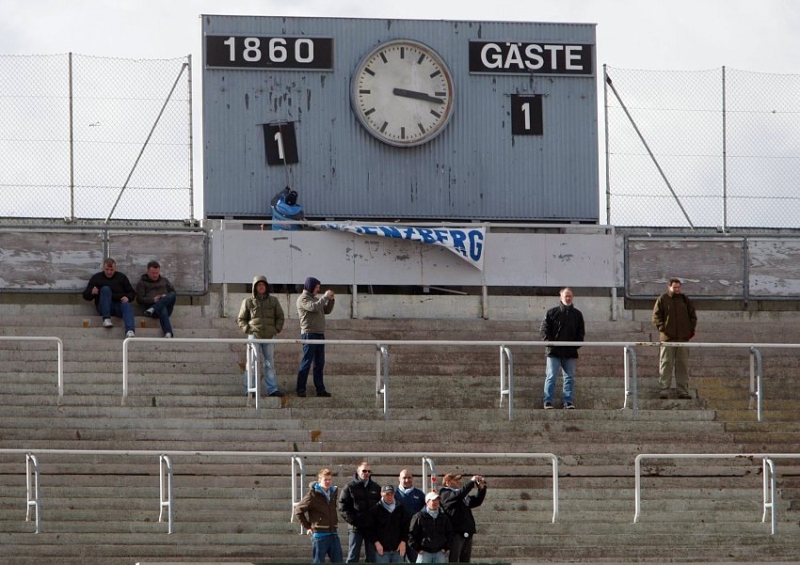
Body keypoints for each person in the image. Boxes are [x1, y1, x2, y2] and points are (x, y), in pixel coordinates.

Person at [237, 275, 285, 397]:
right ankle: (249, 389)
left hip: (269, 336)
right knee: (251, 363)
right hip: (254, 335)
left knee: (269, 363)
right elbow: (241, 319)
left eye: (263, 284)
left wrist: (276, 329)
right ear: (254, 287)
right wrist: (249, 330)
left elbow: (280, 316)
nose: (261, 287)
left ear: (266, 286)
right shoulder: (247, 301)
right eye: (259, 285)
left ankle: (272, 389)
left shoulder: (274, 301)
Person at [540, 287, 585, 410]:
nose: (568, 298)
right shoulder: (551, 313)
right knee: (551, 376)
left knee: (569, 377)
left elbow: (580, 332)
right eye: (566, 296)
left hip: (569, 351)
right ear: (561, 297)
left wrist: (577, 344)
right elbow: (544, 330)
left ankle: (568, 401)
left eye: (570, 296)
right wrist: (549, 343)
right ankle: (547, 401)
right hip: (554, 351)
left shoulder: (577, 314)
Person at [652, 278, 697, 400]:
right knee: (666, 363)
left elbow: (693, 316)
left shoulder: (685, 300)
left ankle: (682, 391)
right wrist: (664, 329)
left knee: (682, 364)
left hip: (683, 339)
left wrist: (689, 332)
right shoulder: (663, 299)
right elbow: (656, 317)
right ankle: (664, 389)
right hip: (667, 339)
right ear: (669, 287)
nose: (677, 290)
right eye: (674, 287)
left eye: (678, 287)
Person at [296, 276, 335, 397]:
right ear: (310, 287)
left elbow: (326, 310)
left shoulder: (316, 299)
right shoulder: (303, 299)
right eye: (317, 287)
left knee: (319, 363)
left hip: (319, 334)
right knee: (306, 362)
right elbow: (314, 307)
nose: (318, 290)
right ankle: (300, 389)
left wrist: (331, 300)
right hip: (309, 334)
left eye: (319, 287)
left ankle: (320, 389)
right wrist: (324, 297)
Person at [296, 467, 344, 564]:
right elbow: (298, 510)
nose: (328, 482)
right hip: (320, 535)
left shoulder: (333, 492)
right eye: (325, 479)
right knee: (318, 562)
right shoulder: (312, 494)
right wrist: (308, 526)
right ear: (319, 480)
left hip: (333, 533)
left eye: (329, 479)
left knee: (339, 561)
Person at [82, 257, 136, 338]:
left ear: (115, 268)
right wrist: (92, 293)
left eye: (111, 270)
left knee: (127, 305)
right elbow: (86, 295)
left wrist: (128, 297)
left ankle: (130, 331)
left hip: (118, 305)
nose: (109, 272)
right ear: (103, 267)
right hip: (103, 306)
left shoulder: (121, 277)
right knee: (105, 289)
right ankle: (106, 319)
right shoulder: (97, 278)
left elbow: (132, 292)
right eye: (107, 269)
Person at [438, 474, 487, 563]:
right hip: (455, 532)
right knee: (454, 559)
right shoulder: (444, 493)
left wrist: (481, 489)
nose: (458, 482)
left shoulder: (462, 495)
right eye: (455, 480)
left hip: (467, 530)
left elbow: (476, 501)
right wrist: (471, 482)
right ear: (448, 482)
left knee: (465, 560)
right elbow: (458, 495)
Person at [339, 461, 382, 563]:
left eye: (369, 471)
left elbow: (380, 506)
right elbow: (342, 506)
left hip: (371, 528)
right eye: (364, 470)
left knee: (372, 557)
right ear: (358, 472)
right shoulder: (349, 487)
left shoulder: (376, 487)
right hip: (355, 528)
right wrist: (353, 521)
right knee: (353, 556)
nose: (366, 473)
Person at [364, 485, 408, 563]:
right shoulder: (375, 510)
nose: (389, 496)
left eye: (391, 494)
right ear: (381, 494)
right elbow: (370, 530)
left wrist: (403, 541)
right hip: (382, 551)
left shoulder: (401, 508)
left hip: (398, 550)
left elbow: (405, 527)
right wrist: (376, 543)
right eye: (387, 494)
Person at [135, 260, 177, 338]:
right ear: (147, 272)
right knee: (162, 307)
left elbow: (173, 292)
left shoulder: (164, 280)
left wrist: (165, 296)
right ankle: (168, 332)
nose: (155, 275)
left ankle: (154, 308)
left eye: (157, 273)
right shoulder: (142, 283)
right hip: (152, 306)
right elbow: (139, 299)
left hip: (164, 306)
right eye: (153, 273)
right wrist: (153, 300)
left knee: (172, 295)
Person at [408, 492, 453, 564]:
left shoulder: (444, 517)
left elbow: (450, 533)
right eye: (433, 500)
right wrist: (417, 548)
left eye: (437, 500)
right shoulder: (418, 516)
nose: (435, 502)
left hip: (440, 553)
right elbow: (411, 534)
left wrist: (447, 547)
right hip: (424, 553)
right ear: (427, 502)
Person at [395, 470, 426, 563]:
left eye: (409, 478)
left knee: (415, 561)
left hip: (414, 535)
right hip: (398, 535)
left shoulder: (420, 495)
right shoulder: (393, 494)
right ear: (399, 479)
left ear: (412, 479)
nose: (407, 480)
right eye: (404, 478)